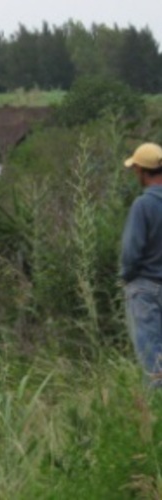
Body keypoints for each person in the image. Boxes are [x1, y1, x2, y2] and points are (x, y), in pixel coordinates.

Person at [121, 142, 162, 386]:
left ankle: (157, 414)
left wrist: (127, 277)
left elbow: (131, 252)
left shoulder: (143, 205)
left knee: (152, 357)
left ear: (141, 171)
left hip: (145, 288)